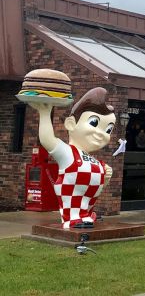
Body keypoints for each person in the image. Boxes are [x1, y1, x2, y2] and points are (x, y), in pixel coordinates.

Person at [29, 87, 115, 229]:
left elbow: (95, 186)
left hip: (88, 208)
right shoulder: (68, 152)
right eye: (94, 123)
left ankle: (86, 216)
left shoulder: (95, 161)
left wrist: (105, 178)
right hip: (71, 204)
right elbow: (47, 139)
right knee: (74, 202)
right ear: (71, 124)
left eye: (108, 130)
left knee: (85, 203)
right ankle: (72, 218)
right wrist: (44, 114)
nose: (101, 134)